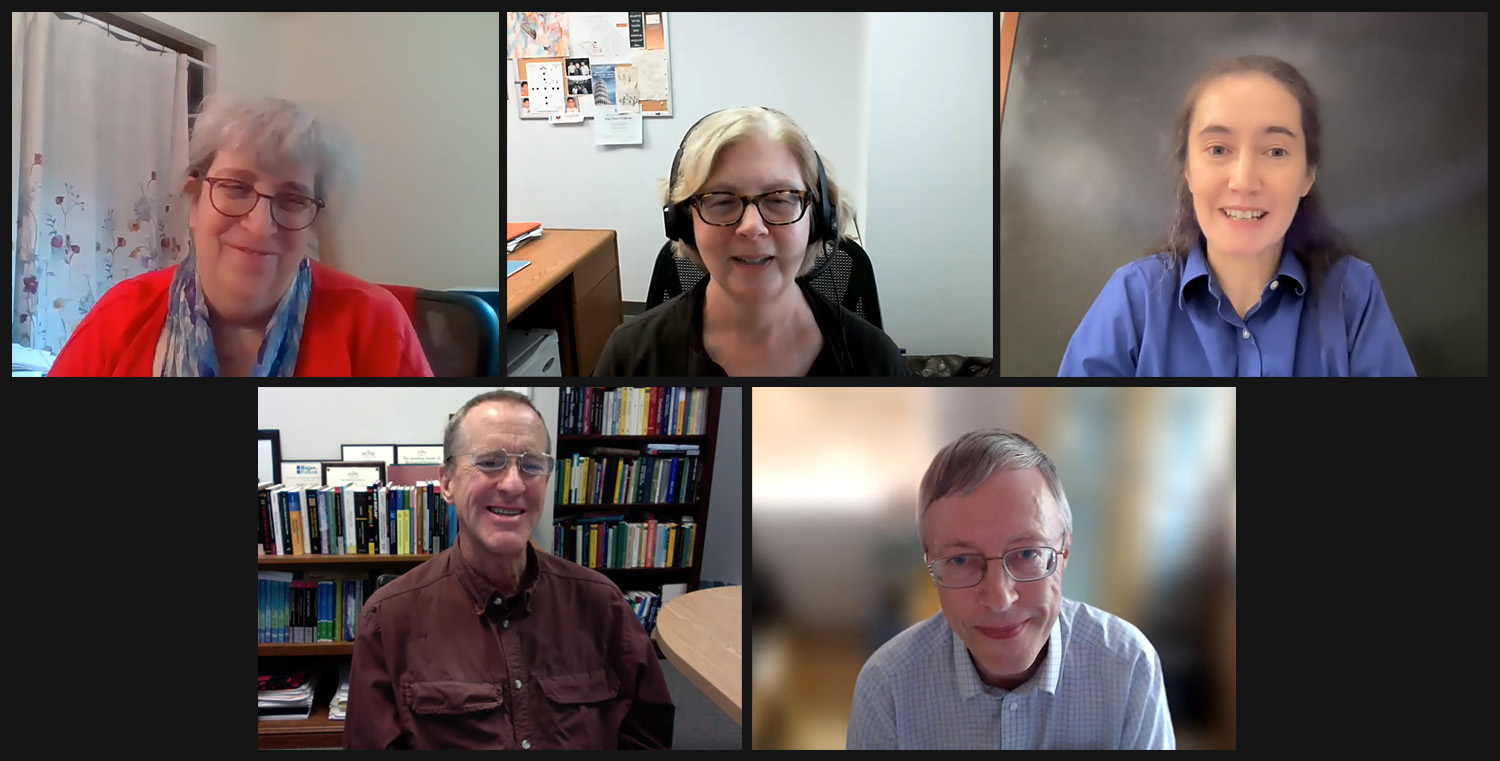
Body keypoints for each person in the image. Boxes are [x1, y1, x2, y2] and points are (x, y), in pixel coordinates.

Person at [343, 390, 674, 750]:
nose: (513, 483)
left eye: (532, 465)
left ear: (546, 482)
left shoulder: (603, 606)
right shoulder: (388, 620)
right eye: (489, 462)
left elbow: (646, 736)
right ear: (448, 482)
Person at [1058, 55, 1415, 377]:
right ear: (1188, 171)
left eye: (1275, 151)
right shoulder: (1134, 298)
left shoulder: (1351, 294)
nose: (1244, 180)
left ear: (1308, 174)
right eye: (1218, 149)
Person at [47, 95, 431, 376]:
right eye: (236, 188)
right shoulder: (122, 315)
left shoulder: (374, 323)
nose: (261, 225)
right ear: (195, 202)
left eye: (293, 199)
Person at [847, 429, 1175, 750]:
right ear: (931, 565)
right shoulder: (886, 689)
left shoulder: (1129, 668)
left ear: (1063, 555)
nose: (1000, 599)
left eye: (1027, 554)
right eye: (961, 560)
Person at [593, 106, 909, 376]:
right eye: (720, 200)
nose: (752, 227)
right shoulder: (629, 356)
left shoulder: (877, 361)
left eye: (781, 198)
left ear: (819, 219)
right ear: (685, 222)